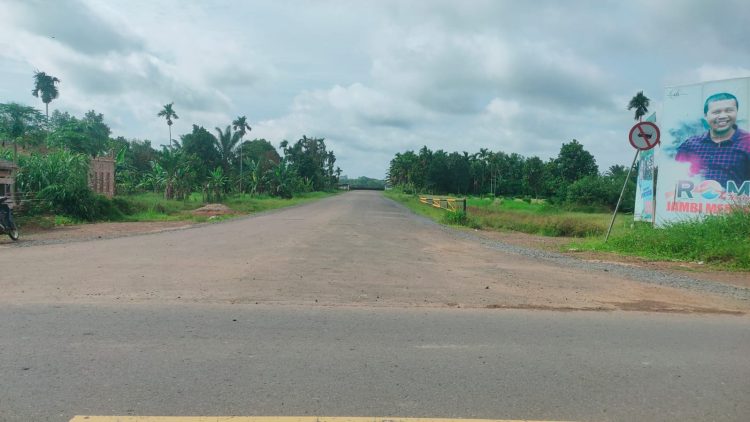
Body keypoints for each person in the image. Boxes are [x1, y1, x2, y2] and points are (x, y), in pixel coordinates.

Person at [675, 92, 750, 186]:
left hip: (734, 200)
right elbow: (675, 176)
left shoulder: (747, 143)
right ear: (706, 116)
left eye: (729, 110)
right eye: (716, 112)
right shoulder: (690, 144)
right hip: (693, 200)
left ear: (737, 112)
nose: (723, 116)